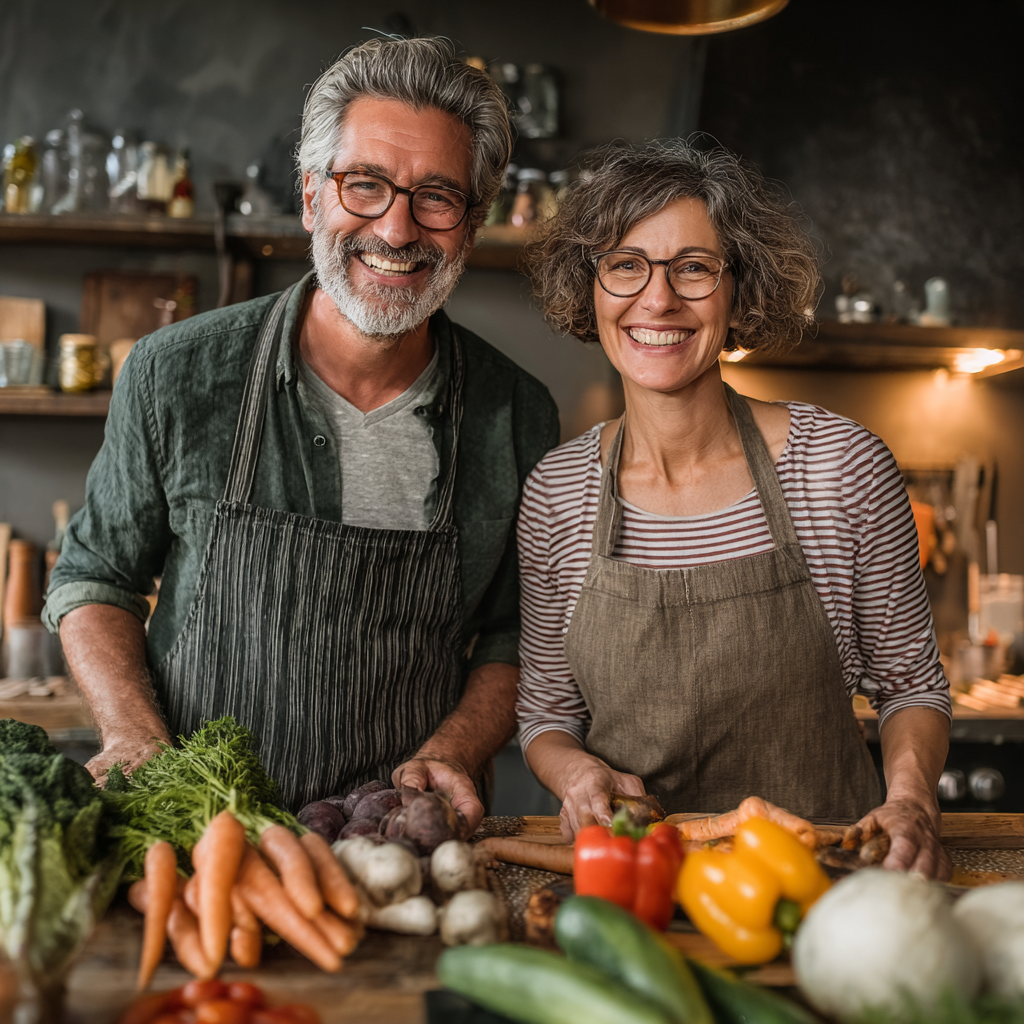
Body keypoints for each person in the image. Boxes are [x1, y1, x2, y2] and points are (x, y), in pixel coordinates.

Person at [43, 37, 559, 828]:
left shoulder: (515, 411)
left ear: (473, 223)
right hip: (193, 832)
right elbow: (94, 578)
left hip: (400, 844)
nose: (396, 228)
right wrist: (133, 734)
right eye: (366, 185)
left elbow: (511, 636)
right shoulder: (174, 372)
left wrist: (456, 749)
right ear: (313, 195)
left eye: (437, 196)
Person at [516, 141, 952, 878]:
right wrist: (577, 778)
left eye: (694, 267)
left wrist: (911, 800)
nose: (658, 300)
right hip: (637, 881)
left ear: (739, 289)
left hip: (827, 878)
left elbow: (912, 685)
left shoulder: (838, 467)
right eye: (625, 264)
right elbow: (547, 716)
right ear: (589, 288)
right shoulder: (557, 492)